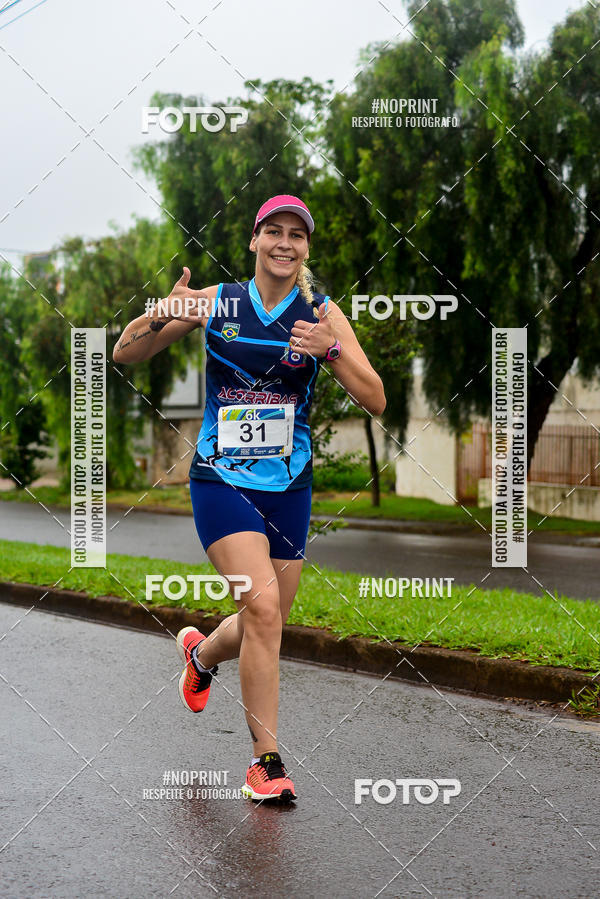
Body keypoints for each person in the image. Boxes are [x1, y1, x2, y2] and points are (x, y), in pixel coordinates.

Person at [113, 194, 386, 803]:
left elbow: (377, 399)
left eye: (297, 234)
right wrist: (163, 310)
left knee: (270, 619)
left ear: (307, 248)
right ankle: (265, 764)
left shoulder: (322, 313)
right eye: (274, 232)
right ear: (254, 240)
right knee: (262, 611)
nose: (285, 243)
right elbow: (125, 352)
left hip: (289, 487)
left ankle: (201, 654)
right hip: (219, 480)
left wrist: (331, 351)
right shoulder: (218, 301)